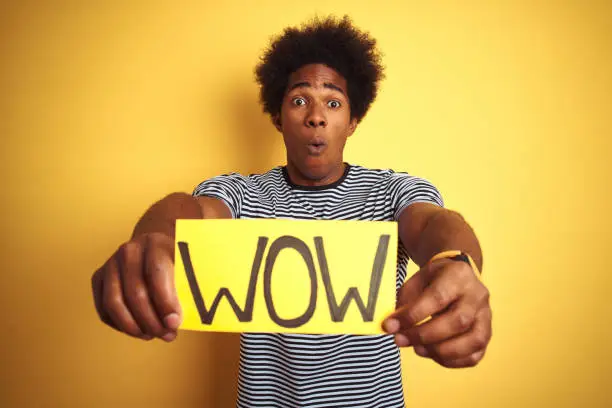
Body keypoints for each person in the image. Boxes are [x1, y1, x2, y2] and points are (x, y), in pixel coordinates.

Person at [91, 15, 492, 408]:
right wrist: (153, 236)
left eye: (333, 103)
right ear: (278, 118)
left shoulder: (389, 192)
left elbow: (436, 224)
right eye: (300, 100)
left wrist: (454, 261)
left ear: (352, 121)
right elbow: (189, 211)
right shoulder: (243, 194)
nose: (316, 116)